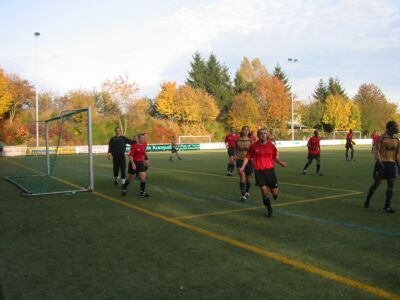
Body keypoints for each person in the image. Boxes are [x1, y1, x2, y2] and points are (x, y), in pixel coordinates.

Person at [240, 128, 287, 217]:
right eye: (261, 133)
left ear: (267, 135)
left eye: (265, 133)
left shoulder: (271, 146)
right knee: (264, 192)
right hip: (259, 172)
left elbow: (274, 157)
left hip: (270, 172)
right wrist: (243, 166)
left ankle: (274, 195)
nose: (263, 135)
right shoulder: (253, 146)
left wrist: (281, 163)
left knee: (275, 193)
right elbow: (247, 157)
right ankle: (269, 209)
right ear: (258, 135)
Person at [364, 121, 399, 213]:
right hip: (381, 164)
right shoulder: (382, 138)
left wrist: (398, 166)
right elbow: (377, 150)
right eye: (396, 126)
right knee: (376, 184)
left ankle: (387, 206)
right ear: (390, 128)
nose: (397, 128)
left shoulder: (397, 139)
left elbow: (397, 154)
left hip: (391, 164)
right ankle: (367, 199)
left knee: (391, 184)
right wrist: (379, 160)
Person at [122, 133, 149, 197]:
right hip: (133, 163)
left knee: (143, 177)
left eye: (144, 138)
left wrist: (146, 159)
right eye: (142, 138)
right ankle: (124, 188)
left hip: (140, 163)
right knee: (131, 177)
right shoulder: (134, 146)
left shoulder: (144, 144)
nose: (143, 139)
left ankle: (142, 192)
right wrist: (133, 164)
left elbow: (144, 152)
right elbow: (130, 155)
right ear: (138, 139)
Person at [235, 126, 253, 202]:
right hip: (239, 160)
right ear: (242, 131)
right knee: (242, 176)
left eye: (247, 130)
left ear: (249, 132)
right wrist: (234, 155)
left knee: (248, 178)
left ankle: (247, 191)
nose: (245, 131)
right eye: (244, 129)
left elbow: (253, 151)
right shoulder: (237, 140)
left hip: (248, 161)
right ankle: (243, 195)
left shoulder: (251, 141)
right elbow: (235, 149)